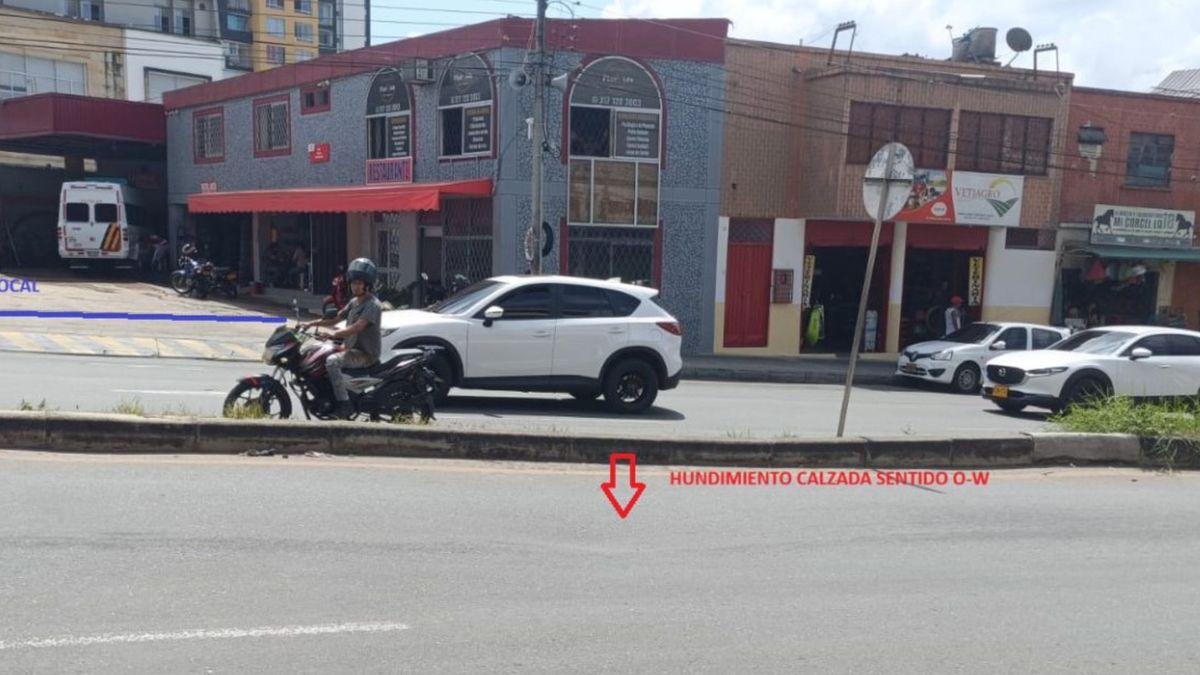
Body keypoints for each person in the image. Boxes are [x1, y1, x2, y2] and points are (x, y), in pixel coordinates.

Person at [302, 258, 383, 419]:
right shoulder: (354, 302)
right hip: (351, 349)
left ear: (368, 285)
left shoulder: (372, 305)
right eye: (353, 283)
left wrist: (334, 334)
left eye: (359, 283)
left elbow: (358, 327)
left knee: (332, 361)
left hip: (365, 354)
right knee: (316, 351)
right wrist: (311, 323)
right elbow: (335, 319)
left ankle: (344, 403)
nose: (355, 286)